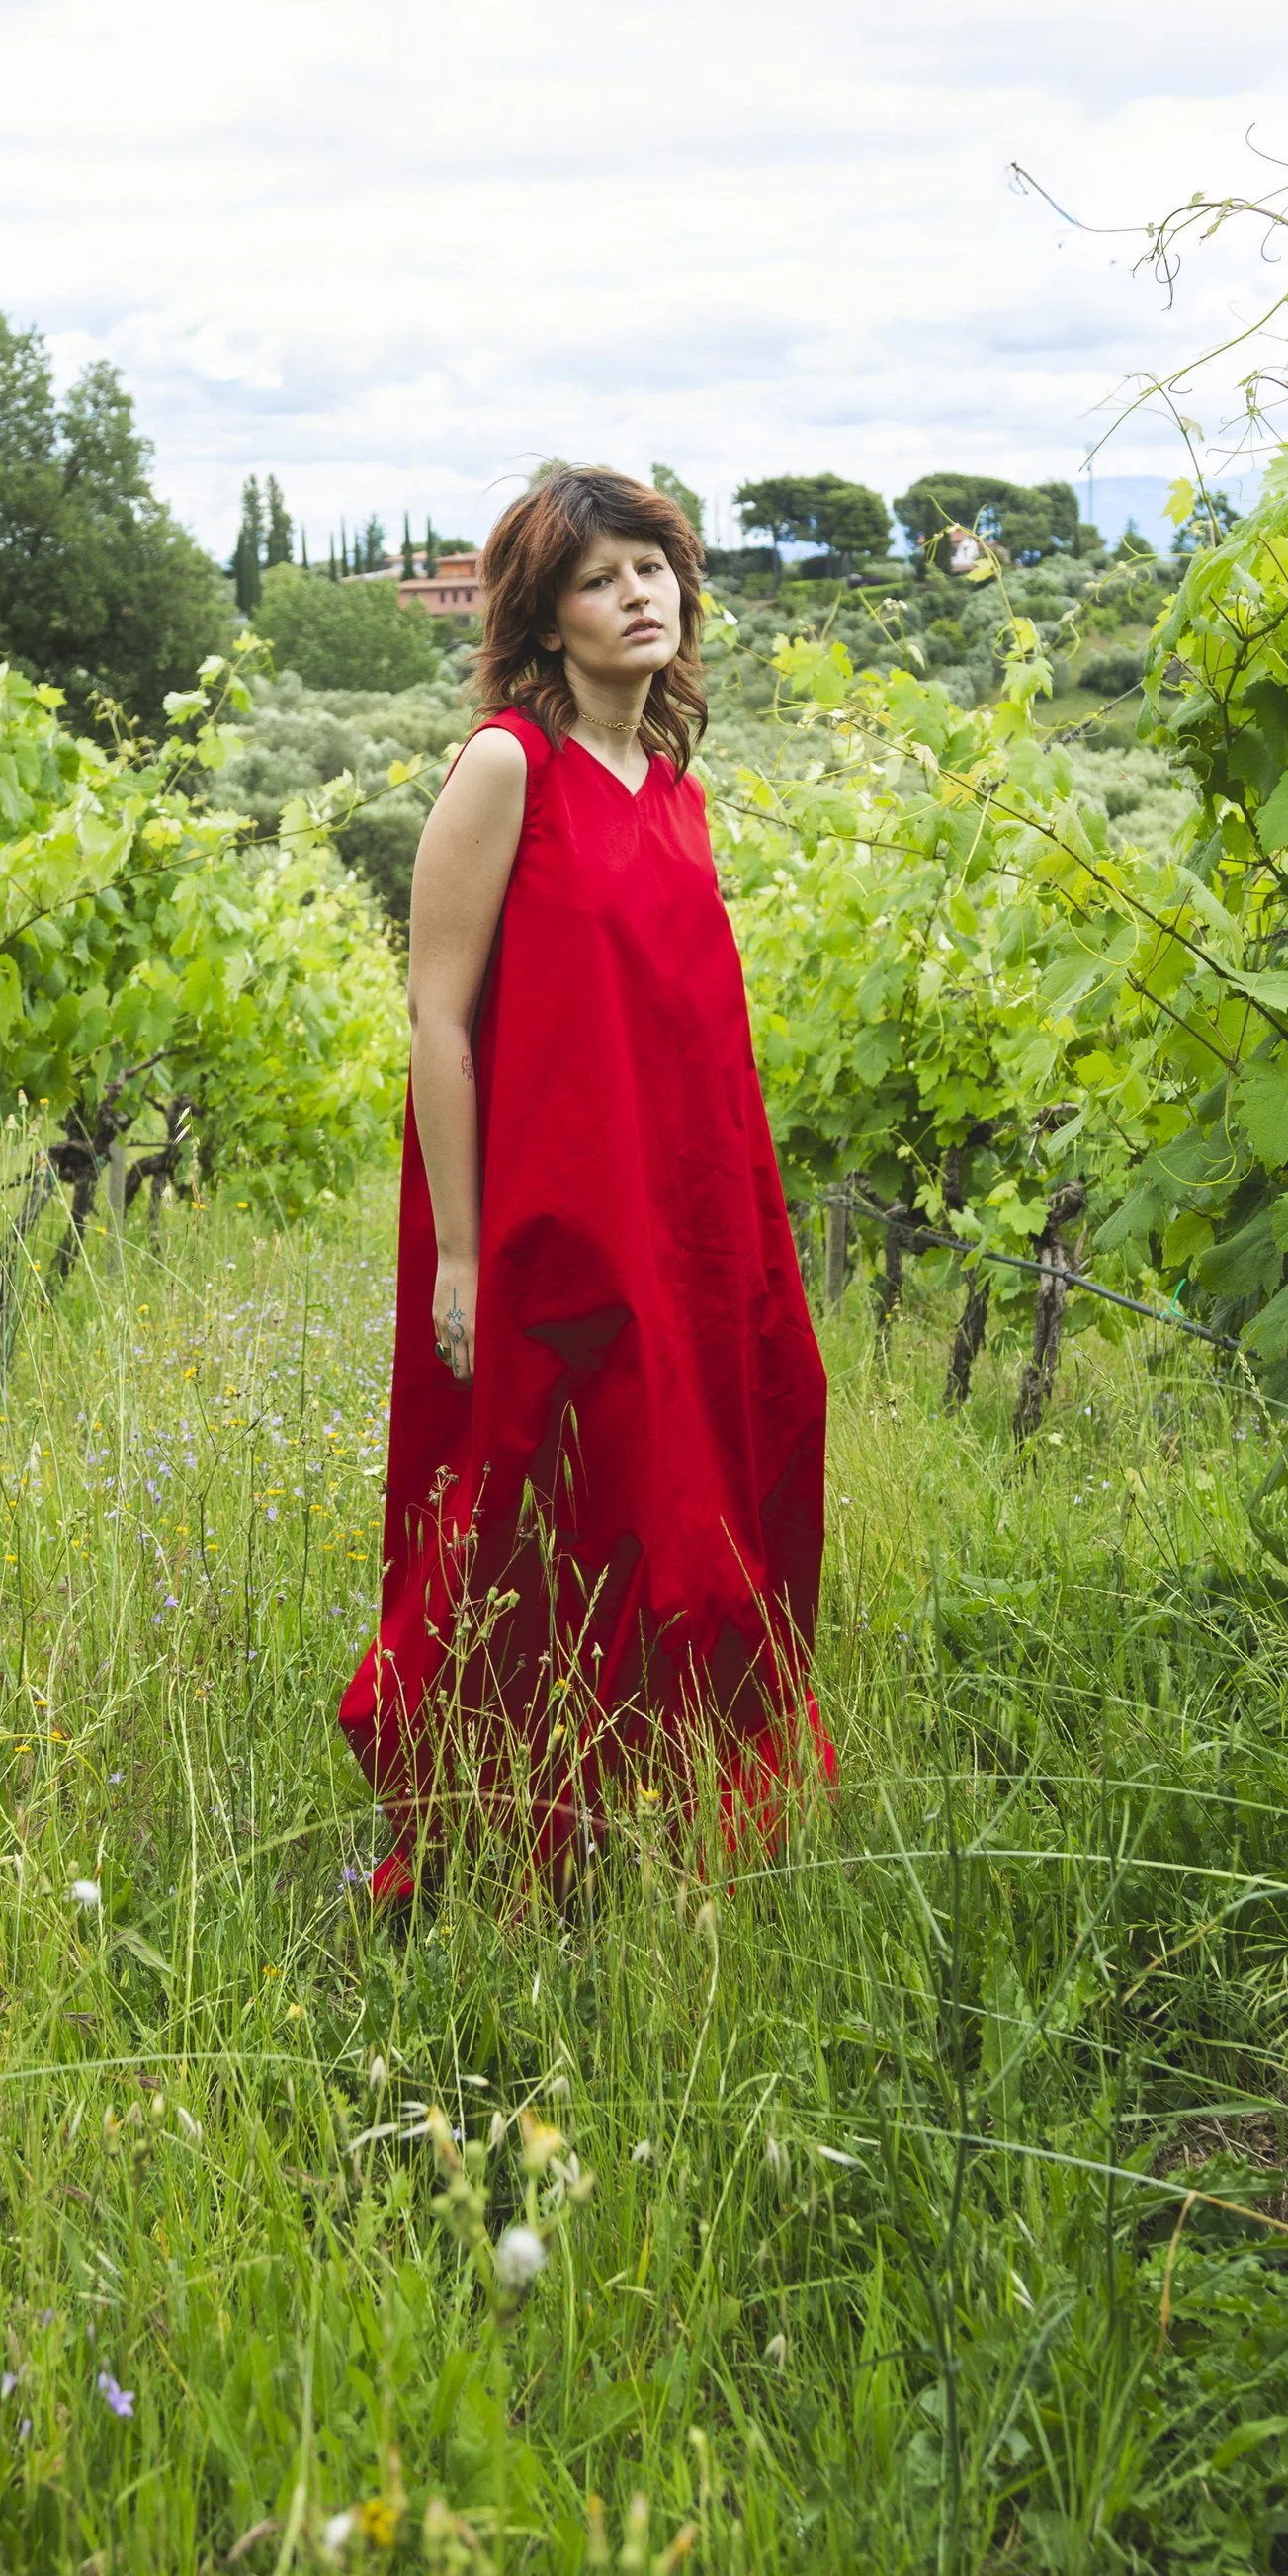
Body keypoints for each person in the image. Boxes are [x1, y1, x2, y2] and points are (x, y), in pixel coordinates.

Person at [339, 464, 833, 1900]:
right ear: (546, 620)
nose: (639, 594)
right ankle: (491, 1830)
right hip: (548, 1219)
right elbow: (438, 1013)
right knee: (540, 1508)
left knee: (697, 1490)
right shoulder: (509, 764)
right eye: (601, 577)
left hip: (684, 1215)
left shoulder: (674, 793)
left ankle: (661, 1797)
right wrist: (459, 1258)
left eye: (654, 566)